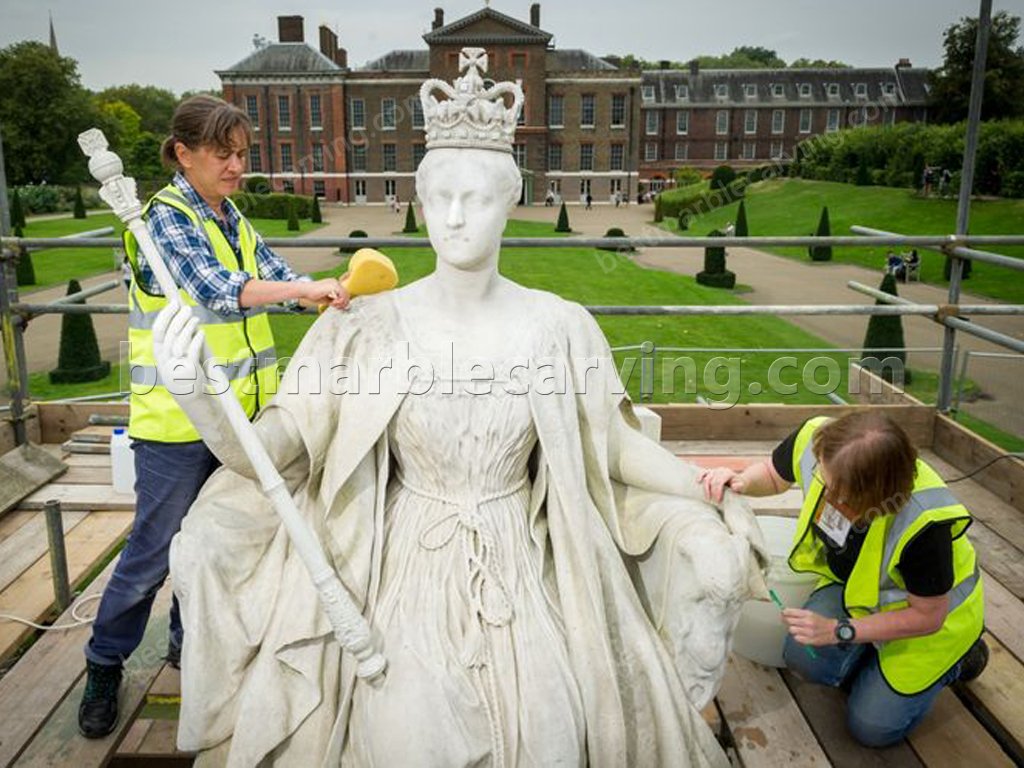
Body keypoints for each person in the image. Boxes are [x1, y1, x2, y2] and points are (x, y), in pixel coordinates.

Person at [158, 51, 766, 767]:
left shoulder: (557, 325)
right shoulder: (364, 324)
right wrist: (201, 400)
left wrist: (698, 483)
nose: (452, 217)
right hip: (404, 562)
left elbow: (612, 448)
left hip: (524, 561)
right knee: (409, 743)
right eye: (438, 196)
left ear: (509, 200)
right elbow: (276, 453)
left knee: (551, 739)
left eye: (473, 198)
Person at [77, 95, 349, 739]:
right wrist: (298, 290)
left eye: (242, 153)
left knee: (209, 548)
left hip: (240, 424)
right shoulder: (162, 220)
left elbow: (271, 274)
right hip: (178, 426)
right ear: (183, 154)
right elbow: (216, 292)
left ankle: (187, 644)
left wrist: (323, 295)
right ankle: (104, 663)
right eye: (223, 154)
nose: (236, 166)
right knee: (151, 555)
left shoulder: (231, 218)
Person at [698, 411, 987, 748]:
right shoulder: (822, 443)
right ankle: (868, 660)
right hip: (858, 594)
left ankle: (963, 659)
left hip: (933, 624)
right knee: (803, 658)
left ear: (875, 497)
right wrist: (742, 481)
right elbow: (774, 476)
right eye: (822, 471)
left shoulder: (924, 524)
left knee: (871, 728)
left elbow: (929, 615)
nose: (822, 485)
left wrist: (840, 631)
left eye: (838, 490)